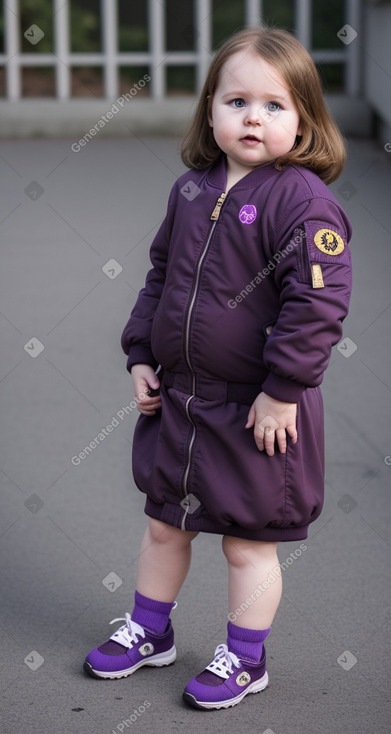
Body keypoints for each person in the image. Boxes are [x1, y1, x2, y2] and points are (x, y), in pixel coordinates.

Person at [84, 26, 352, 710]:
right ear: (210, 111)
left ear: (305, 120)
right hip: (182, 400)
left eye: (274, 105)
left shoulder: (303, 203)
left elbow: (317, 304)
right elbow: (162, 275)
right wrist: (140, 354)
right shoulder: (191, 191)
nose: (253, 117)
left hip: (258, 410)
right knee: (164, 524)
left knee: (246, 544)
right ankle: (150, 628)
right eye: (236, 101)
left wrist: (282, 390)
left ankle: (246, 656)